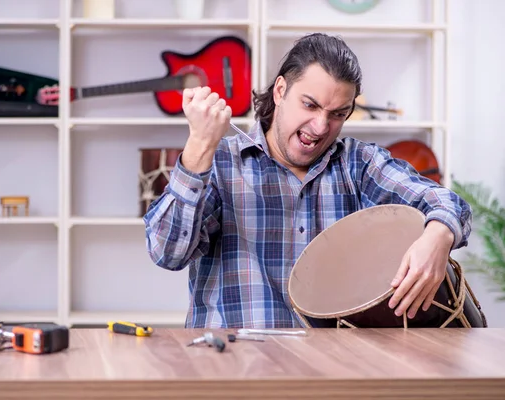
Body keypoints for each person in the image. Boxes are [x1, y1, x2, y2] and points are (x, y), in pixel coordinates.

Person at [143, 33, 472, 329]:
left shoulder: (359, 164)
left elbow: (447, 204)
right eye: (310, 105)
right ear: (281, 90)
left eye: (337, 114)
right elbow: (166, 252)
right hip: (234, 372)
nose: (319, 127)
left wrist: (437, 238)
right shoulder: (220, 162)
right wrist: (200, 146)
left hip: (333, 376)